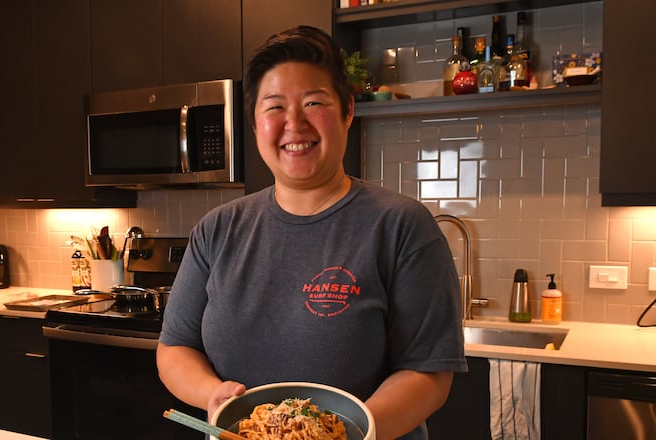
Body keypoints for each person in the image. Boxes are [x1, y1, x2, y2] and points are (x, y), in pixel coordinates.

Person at [156, 25, 467, 439]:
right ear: (254, 124)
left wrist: (345, 432)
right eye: (274, 107)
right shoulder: (217, 229)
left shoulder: (401, 226)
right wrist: (215, 396)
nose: (294, 123)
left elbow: (429, 372)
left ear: (348, 111)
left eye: (314, 102)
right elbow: (174, 348)